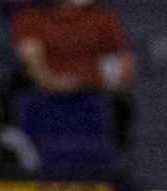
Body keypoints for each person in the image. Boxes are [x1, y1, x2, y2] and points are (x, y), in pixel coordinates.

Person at [9, 0, 131, 137]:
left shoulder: (101, 16)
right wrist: (54, 83)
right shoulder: (28, 17)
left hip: (93, 90)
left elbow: (122, 57)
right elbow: (30, 57)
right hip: (47, 91)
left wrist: (107, 83)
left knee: (121, 105)